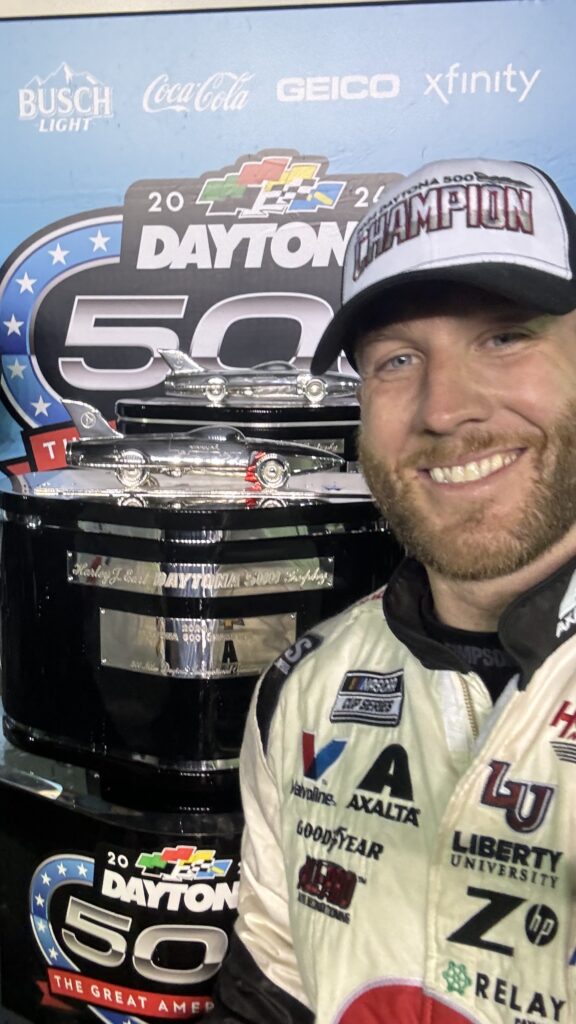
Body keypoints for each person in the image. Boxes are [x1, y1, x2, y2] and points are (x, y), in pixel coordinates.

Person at [209, 157, 576, 1023]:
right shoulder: (302, 687)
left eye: (505, 336)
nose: (445, 409)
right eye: (397, 359)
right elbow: (272, 990)